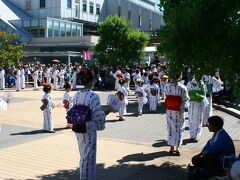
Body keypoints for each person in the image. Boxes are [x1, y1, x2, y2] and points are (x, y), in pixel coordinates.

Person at [71, 68, 106, 180]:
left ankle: (84, 177)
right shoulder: (93, 96)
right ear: (91, 81)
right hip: (89, 127)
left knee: (83, 155)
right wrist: (105, 113)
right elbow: (96, 115)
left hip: (78, 126)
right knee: (89, 157)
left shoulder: (76, 95)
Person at [165, 75, 190, 156]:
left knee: (170, 128)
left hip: (169, 110)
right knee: (179, 128)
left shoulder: (167, 86)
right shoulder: (182, 87)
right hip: (179, 110)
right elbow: (186, 98)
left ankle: (171, 147)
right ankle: (177, 148)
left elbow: (166, 95)